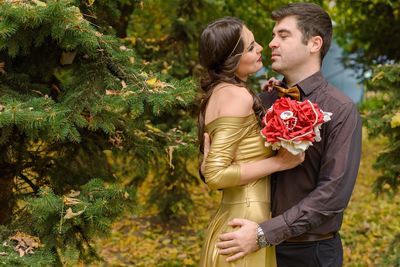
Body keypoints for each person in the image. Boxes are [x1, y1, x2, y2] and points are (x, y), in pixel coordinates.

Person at [202, 3, 362, 267]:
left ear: (314, 44)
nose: (272, 43)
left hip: (308, 252)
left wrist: (265, 234)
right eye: (273, 34)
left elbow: (333, 195)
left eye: (283, 35)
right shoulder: (261, 101)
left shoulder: (341, 109)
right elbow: (225, 165)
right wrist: (206, 166)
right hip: (247, 244)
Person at [197, 17, 305, 267]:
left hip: (238, 217)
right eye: (250, 47)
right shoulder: (236, 96)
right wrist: (280, 163)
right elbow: (215, 174)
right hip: (244, 224)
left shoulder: (222, 92)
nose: (261, 48)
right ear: (229, 60)